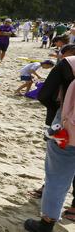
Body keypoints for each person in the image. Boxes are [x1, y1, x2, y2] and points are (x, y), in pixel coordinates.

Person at [26, 51, 75, 231]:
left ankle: (47, 222)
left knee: (57, 177)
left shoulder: (68, 63)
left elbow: (44, 94)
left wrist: (57, 114)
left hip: (68, 131)